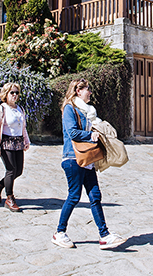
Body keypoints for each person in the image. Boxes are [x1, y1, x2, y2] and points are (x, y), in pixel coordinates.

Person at [52, 78, 126, 250]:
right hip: (73, 158)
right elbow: (72, 132)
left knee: (95, 196)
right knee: (74, 196)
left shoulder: (88, 112)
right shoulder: (70, 108)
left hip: (87, 160)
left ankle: (104, 235)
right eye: (87, 89)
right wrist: (90, 136)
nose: (90, 92)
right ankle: (59, 233)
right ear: (78, 91)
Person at [0, 83, 31, 212]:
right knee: (11, 169)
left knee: (18, 171)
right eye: (12, 92)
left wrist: (26, 140)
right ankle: (9, 198)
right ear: (6, 94)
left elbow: (23, 127)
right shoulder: (0, 109)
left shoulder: (20, 109)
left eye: (16, 93)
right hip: (6, 142)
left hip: (18, 142)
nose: (14, 95)